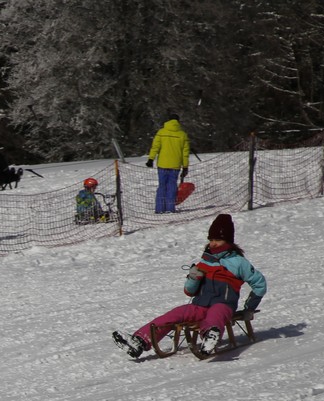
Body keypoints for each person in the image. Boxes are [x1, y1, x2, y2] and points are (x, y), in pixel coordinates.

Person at [113, 214, 267, 359]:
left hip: (223, 305)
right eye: (211, 239)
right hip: (199, 305)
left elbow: (259, 284)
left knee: (216, 314)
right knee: (174, 314)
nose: (213, 243)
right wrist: (193, 278)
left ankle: (210, 337)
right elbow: (189, 291)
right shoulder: (205, 261)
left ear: (228, 241)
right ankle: (139, 341)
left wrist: (249, 308)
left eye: (217, 240)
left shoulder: (239, 263)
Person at [146, 115, 190, 214]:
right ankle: (170, 208)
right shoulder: (182, 134)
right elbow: (185, 153)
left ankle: (159, 209)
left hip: (162, 164)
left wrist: (151, 159)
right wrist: (185, 166)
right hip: (175, 165)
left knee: (162, 186)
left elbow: (155, 147)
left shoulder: (161, 132)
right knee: (172, 187)